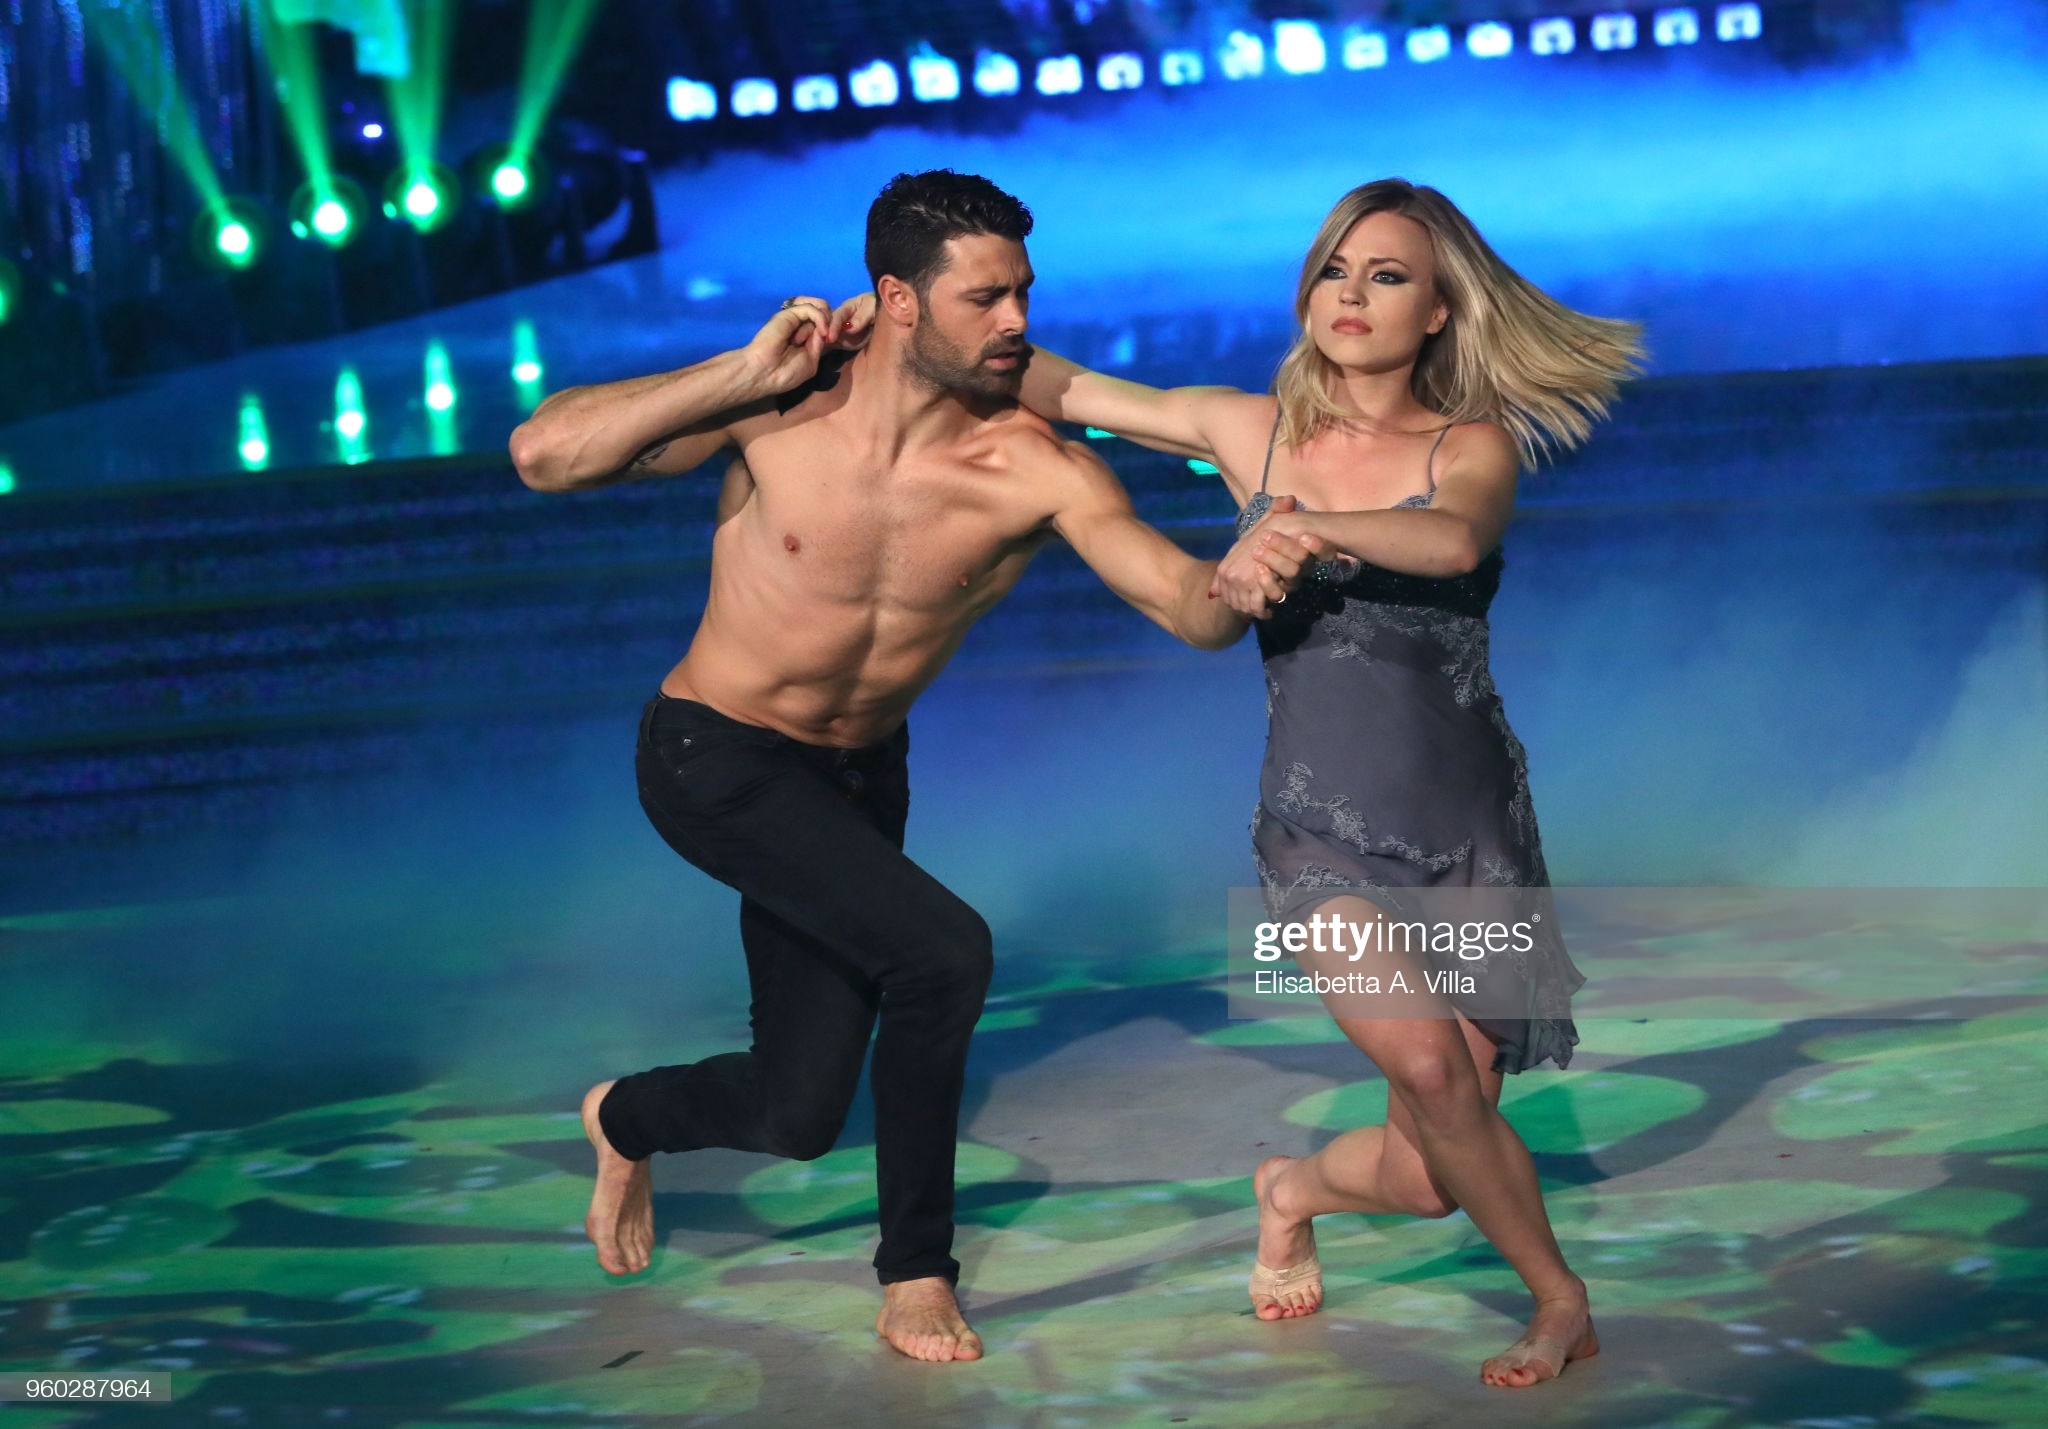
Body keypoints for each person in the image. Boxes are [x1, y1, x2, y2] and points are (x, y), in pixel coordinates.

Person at [505, 171, 1313, 1364]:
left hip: (854, 780)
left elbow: (1188, 612)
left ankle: (625, 1116)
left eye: (1022, 293)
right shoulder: (780, 406)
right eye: (984, 298)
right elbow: (543, 455)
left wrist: (1245, 563)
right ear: (896, 299)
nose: (1015, 322)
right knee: (943, 953)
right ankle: (915, 1270)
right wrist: (738, 372)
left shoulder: (1033, 467)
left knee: (796, 1110)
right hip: (711, 754)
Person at [1013, 178, 1643, 1387]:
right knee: (1430, 1073)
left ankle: (1288, 1188)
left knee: (1428, 1173)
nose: (1350, 295)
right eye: (1333, 272)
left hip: (1472, 837)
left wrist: (1305, 528)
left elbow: (1450, 539)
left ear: (1438, 312)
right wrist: (902, 321)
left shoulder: (1467, 446)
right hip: (1316, 837)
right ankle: (1560, 1300)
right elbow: (1068, 389)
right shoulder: (1246, 431)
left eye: (1386, 276)